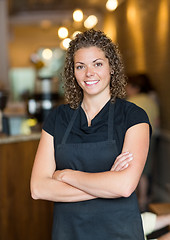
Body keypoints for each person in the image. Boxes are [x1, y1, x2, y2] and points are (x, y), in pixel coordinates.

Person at [30, 29, 151, 240]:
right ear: (72, 72)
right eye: (80, 66)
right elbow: (38, 189)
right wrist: (106, 185)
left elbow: (124, 186)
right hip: (68, 232)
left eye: (97, 64)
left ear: (111, 67)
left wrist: (66, 175)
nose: (89, 73)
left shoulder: (133, 116)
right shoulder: (58, 118)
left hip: (119, 232)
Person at [126, 74, 160, 211]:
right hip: (152, 137)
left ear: (135, 87)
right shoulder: (152, 100)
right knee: (145, 169)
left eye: (128, 86)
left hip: (136, 138)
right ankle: (144, 199)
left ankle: (138, 200)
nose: (126, 88)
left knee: (135, 168)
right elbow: (157, 121)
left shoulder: (132, 101)